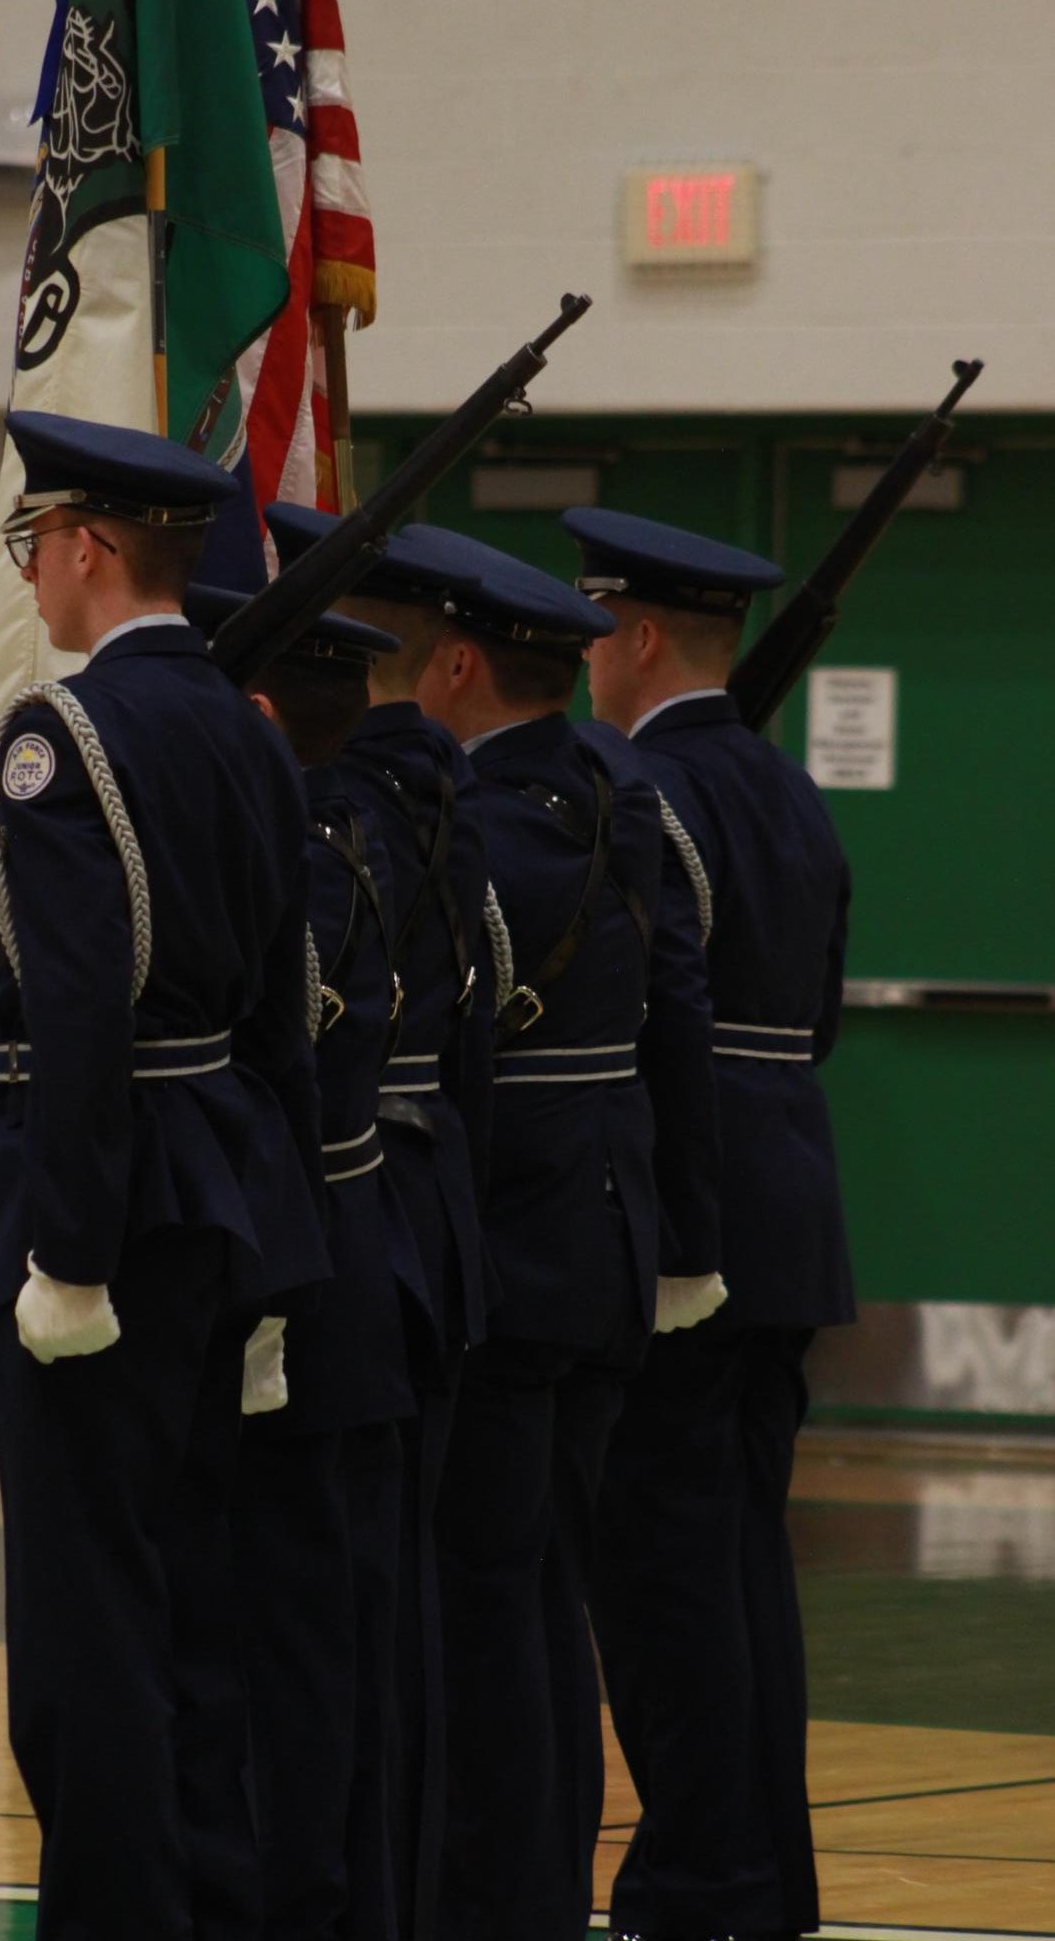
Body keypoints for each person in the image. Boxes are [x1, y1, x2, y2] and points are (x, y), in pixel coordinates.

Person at [0, 411, 331, 1941]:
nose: (30, 567)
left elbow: (89, 1009)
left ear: (86, 546)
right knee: (194, 1596)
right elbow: (280, 1008)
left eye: (34, 535)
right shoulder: (248, 726)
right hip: (228, 1194)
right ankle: (208, 1904)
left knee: (85, 1624)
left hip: (104, 1207)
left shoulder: (62, 738)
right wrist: (281, 1246)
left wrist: (67, 1257)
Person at [399, 527, 720, 1941]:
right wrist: (684, 1234)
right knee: (546, 1594)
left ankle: (498, 1893)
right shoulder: (617, 793)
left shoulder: (475, 824)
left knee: (491, 1598)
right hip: (605, 1231)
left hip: (513, 1247)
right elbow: (682, 1027)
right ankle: (536, 1888)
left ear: (458, 662)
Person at [563, 504, 855, 1941]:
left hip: (691, 1218)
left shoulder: (641, 790)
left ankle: (699, 1878)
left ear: (637, 637)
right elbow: (819, 1013)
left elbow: (645, 1021)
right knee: (736, 1560)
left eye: (590, 624)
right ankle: (758, 1875)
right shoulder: (790, 792)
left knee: (663, 1570)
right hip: (791, 1199)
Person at [264, 504, 494, 1941]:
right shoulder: (430, 806)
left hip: (347, 1226)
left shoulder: (338, 827)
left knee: (321, 1618)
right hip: (424, 1218)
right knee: (389, 1608)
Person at [187, 582, 419, 1941]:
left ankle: (300, 1901)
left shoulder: (307, 854)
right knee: (321, 1619)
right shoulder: (364, 832)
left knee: (288, 1626)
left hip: (305, 1267)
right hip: (359, 1249)